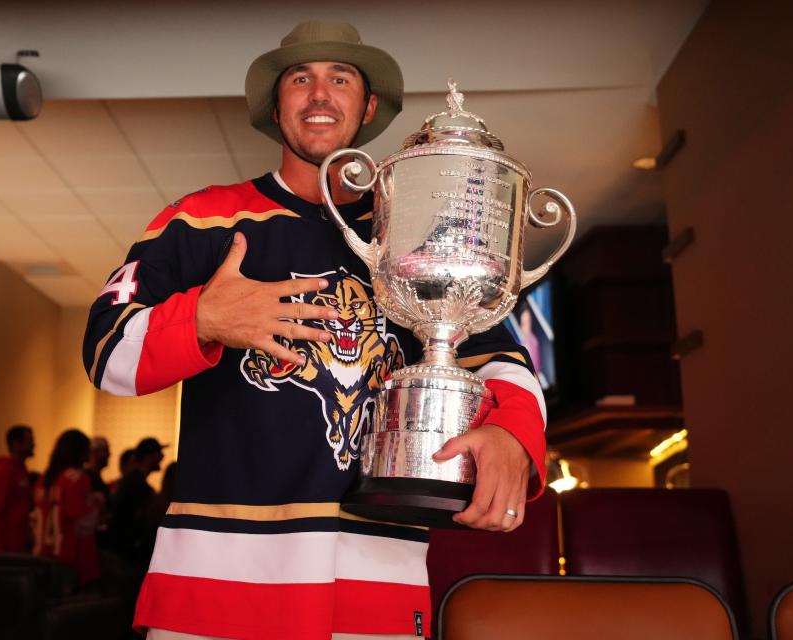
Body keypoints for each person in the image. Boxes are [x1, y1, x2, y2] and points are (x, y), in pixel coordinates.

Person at [83, 21, 547, 640]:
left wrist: (513, 434)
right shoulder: (197, 221)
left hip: (374, 570)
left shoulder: (413, 234)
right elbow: (105, 352)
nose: (320, 94)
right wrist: (204, 319)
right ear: (278, 108)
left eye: (341, 78)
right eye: (300, 79)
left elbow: (503, 359)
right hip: (217, 575)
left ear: (369, 106)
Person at [31, 429, 101, 587]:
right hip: (70, 556)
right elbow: (85, 522)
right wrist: (98, 502)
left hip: (41, 555)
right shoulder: (76, 479)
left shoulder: (43, 480)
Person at [107, 437, 165, 566]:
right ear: (149, 456)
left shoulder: (134, 480)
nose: (162, 456)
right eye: (158, 453)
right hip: (126, 553)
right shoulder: (137, 484)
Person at [0, 424, 34, 552]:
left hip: (20, 545)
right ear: (16, 444)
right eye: (30, 441)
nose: (33, 445)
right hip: (8, 547)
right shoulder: (4, 471)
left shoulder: (22, 471)